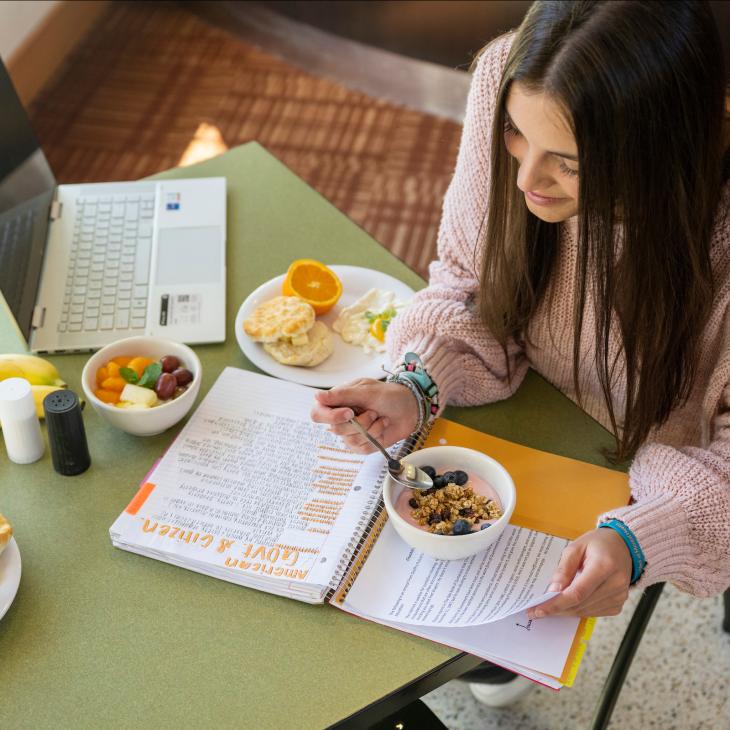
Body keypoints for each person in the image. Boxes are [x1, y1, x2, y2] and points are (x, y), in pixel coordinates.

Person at [311, 0, 730, 708]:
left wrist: (640, 542)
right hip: (532, 411)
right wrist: (416, 380)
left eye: (566, 164)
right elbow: (471, 277)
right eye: (514, 135)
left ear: (659, 158)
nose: (524, 179)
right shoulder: (506, 76)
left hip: (671, 470)